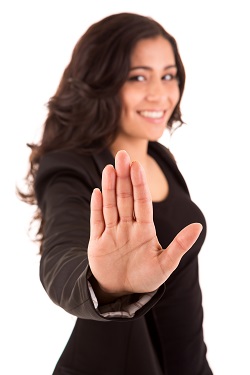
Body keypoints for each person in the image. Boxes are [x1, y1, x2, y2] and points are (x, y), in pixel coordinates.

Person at [19, 12, 213, 375]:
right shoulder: (69, 168)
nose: (160, 93)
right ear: (101, 80)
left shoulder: (161, 158)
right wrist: (105, 285)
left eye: (168, 76)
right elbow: (60, 258)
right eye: (138, 76)